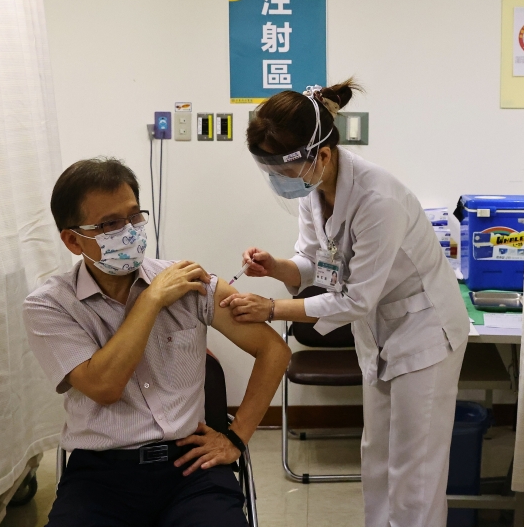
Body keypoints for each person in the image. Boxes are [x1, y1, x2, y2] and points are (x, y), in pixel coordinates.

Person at [222, 81, 469, 527]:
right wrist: (276, 267)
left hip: (425, 329)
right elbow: (317, 263)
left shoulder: (379, 199)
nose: (282, 179)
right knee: (377, 456)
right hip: (379, 328)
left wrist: (272, 309)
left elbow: (353, 298)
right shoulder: (313, 187)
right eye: (272, 169)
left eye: (287, 168)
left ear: (323, 153)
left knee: (416, 468)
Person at [23, 158, 290, 527]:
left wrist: (237, 436)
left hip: (189, 468)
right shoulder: (49, 305)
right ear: (72, 240)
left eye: (135, 216)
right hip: (99, 477)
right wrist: (150, 300)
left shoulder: (190, 282)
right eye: (111, 224)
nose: (130, 231)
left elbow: (274, 350)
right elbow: (104, 386)